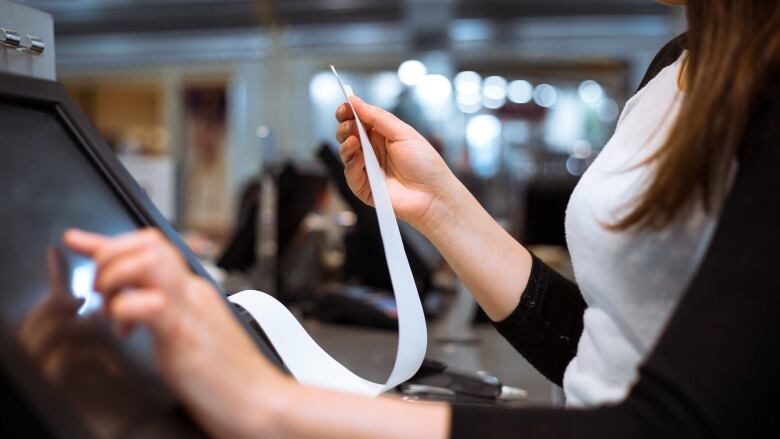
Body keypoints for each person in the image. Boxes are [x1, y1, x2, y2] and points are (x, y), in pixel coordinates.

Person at [63, 0, 780, 437]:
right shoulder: (673, 67)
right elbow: (607, 348)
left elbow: (676, 424)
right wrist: (438, 205)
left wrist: (266, 407)